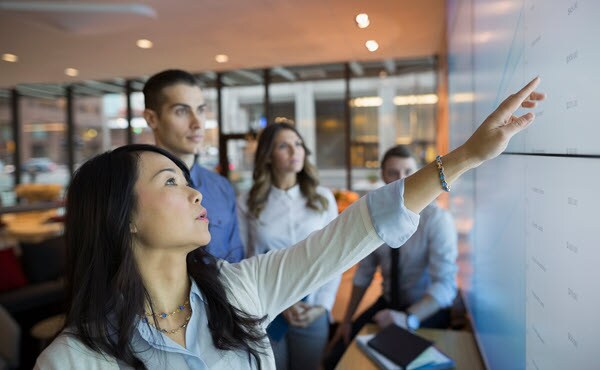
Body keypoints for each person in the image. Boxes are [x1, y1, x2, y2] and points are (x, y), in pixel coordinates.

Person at [34, 78, 544, 369]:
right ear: (122, 218)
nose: (194, 191)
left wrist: (467, 158)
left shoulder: (239, 291)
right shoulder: (73, 359)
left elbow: (355, 230)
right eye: (169, 182)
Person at [324, 145, 458, 369]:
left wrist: (408, 319)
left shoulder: (437, 220)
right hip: (387, 304)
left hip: (424, 309)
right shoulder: (376, 216)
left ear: (420, 172)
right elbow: (364, 275)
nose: (402, 179)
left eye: (408, 171)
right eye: (393, 173)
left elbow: (445, 286)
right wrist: (346, 321)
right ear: (383, 176)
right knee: (336, 358)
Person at [237, 123, 340, 370]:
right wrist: (278, 301)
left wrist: (322, 307)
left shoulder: (323, 198)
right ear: (268, 156)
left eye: (298, 144)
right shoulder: (247, 201)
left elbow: (335, 256)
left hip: (311, 308)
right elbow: (242, 261)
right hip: (266, 310)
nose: (295, 151)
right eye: (284, 146)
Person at [143, 69, 244, 262]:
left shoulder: (221, 188)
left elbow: (236, 263)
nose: (197, 123)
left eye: (200, 110)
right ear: (152, 118)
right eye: (181, 111)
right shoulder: (136, 189)